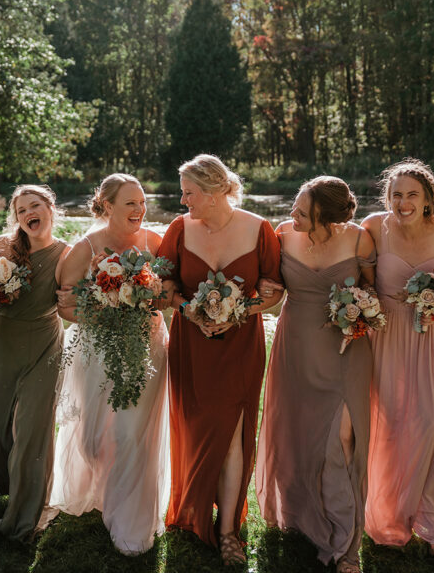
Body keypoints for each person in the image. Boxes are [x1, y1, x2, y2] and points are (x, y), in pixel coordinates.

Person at [155, 154, 283, 565]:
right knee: (195, 427)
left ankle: (227, 530)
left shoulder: (259, 230)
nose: (182, 199)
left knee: (231, 433)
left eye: (188, 192)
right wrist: (189, 309)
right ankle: (193, 505)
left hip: (240, 348)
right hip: (192, 347)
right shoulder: (179, 229)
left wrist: (239, 312)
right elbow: (163, 286)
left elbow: (275, 290)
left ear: (212, 192)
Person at [361, 158, 434, 566]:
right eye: (396, 194)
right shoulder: (375, 227)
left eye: (412, 194)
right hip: (388, 336)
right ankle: (388, 516)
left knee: (431, 423)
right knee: (391, 423)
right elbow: (358, 272)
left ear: (429, 198)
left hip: (432, 337)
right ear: (387, 197)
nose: (403, 202)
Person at [255, 177, 376, 573]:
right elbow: (269, 289)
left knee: (343, 437)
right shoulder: (281, 236)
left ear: (324, 214)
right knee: (297, 431)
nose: (293, 214)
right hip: (296, 349)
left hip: (345, 350)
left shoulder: (360, 239)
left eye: (303, 211)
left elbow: (374, 292)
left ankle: (347, 542)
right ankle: (303, 516)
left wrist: (360, 306)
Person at [47, 173, 170, 555]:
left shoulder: (155, 242)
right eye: (130, 202)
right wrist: (105, 312)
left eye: (142, 202)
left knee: (132, 434)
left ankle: (130, 520)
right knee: (93, 439)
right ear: (107, 205)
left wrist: (147, 299)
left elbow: (167, 293)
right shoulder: (85, 247)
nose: (139, 209)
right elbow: (65, 304)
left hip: (146, 348)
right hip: (97, 350)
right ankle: (98, 489)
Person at [0, 185, 70, 542]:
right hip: (0, 343)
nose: (30, 213)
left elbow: (70, 307)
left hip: (44, 345)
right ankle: (11, 487)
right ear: (17, 217)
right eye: (22, 208)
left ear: (50, 208)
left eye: (36, 205)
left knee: (32, 431)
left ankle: (24, 518)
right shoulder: (0, 246)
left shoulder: (66, 254)